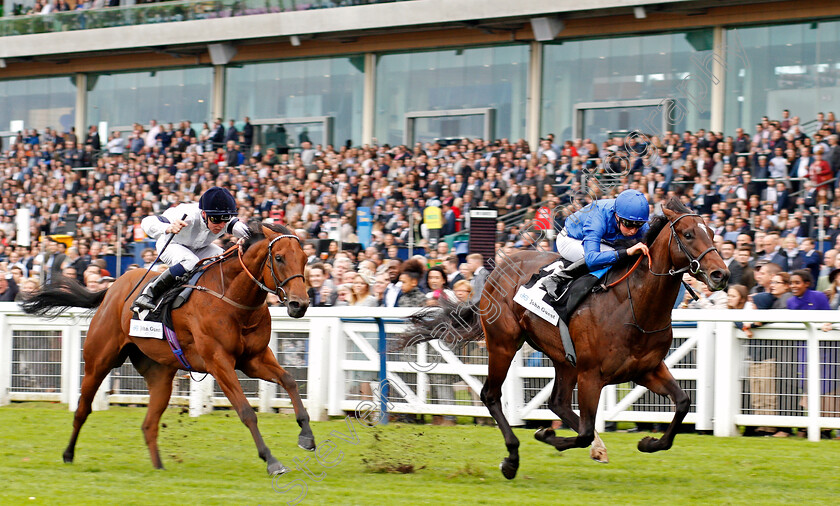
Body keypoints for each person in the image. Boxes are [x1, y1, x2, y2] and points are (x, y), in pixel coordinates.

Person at [131, 187, 250, 312]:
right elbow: (147, 222)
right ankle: (148, 293)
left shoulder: (224, 220)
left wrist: (246, 240)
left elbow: (249, 233)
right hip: (171, 244)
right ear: (204, 214)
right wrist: (168, 227)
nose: (221, 225)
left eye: (225, 219)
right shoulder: (187, 214)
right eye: (215, 219)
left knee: (223, 257)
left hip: (200, 247)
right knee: (190, 261)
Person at [545, 189, 650, 299]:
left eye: (639, 225)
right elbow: (591, 259)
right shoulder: (597, 218)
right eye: (628, 224)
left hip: (603, 240)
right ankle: (557, 278)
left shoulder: (633, 217)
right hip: (570, 239)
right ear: (617, 216)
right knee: (613, 257)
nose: (633, 231)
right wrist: (627, 252)